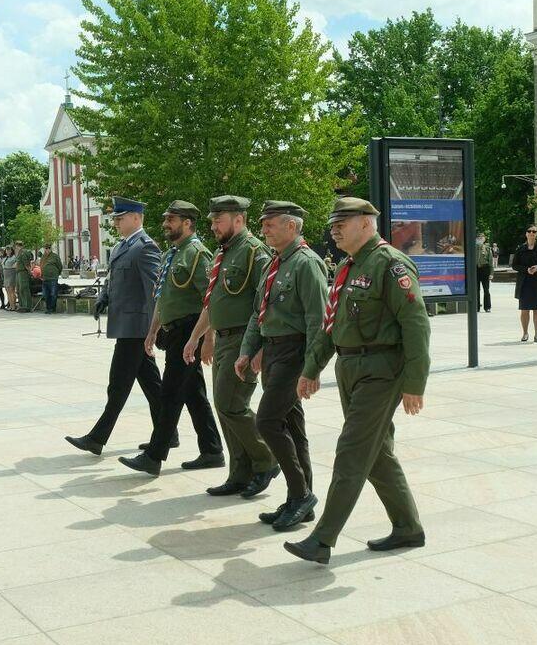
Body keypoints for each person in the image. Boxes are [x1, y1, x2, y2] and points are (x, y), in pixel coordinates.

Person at [285, 197, 429, 564]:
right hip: (350, 367)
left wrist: (415, 383)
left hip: (381, 369)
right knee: (376, 453)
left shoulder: (391, 264)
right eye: (333, 223)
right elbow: (331, 324)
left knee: (351, 450)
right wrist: (311, 368)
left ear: (366, 223)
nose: (334, 229)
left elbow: (416, 325)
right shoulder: (348, 267)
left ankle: (322, 539)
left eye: (342, 223)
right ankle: (408, 528)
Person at [236, 201, 328, 530]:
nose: (264, 230)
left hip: (295, 353)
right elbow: (258, 312)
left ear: (291, 226)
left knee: (267, 421)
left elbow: (319, 320)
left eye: (270, 224)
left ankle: (301, 496)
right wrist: (247, 350)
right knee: (292, 428)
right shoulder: (274, 263)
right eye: (263, 224)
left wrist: (312, 368)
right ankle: (299, 500)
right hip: (273, 351)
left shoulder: (307, 263)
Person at [181, 196, 279, 498]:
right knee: (224, 408)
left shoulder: (255, 253)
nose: (213, 226)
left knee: (231, 404)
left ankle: (267, 459)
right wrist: (197, 336)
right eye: (212, 220)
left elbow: (266, 304)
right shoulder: (223, 253)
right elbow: (213, 302)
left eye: (218, 220)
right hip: (223, 339)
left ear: (238, 219)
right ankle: (240, 472)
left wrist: (257, 347)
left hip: (242, 340)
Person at [118, 200, 224, 477]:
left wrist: (207, 339)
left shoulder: (197, 255)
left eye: (171, 220)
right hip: (173, 331)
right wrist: (153, 330)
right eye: (166, 219)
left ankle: (154, 456)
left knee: (170, 393)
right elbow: (162, 296)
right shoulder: (171, 254)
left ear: (187, 223)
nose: (165, 224)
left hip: (190, 332)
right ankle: (212, 450)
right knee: (193, 393)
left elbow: (210, 301)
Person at [65, 196, 171, 456]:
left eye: (120, 218)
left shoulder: (146, 247)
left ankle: (97, 438)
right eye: (115, 219)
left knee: (118, 385)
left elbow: (155, 290)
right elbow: (115, 280)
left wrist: (157, 327)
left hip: (136, 328)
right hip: (126, 325)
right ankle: (168, 434)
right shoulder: (123, 246)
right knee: (152, 386)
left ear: (136, 217)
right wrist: (103, 298)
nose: (116, 223)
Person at [511, 225, 537, 343]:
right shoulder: (520, 248)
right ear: (526, 233)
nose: (531, 233)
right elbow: (515, 265)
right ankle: (525, 333)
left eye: (534, 231)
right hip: (524, 283)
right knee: (524, 310)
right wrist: (526, 269)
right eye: (529, 231)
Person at [40, 245, 63, 313]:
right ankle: (48, 308)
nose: (47, 249)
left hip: (53, 277)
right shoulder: (43, 257)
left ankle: (52, 309)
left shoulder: (55, 256)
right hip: (45, 278)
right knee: (45, 294)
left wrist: (57, 273)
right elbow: (41, 265)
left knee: (53, 294)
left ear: (51, 248)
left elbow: (60, 266)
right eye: (46, 248)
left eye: (48, 248)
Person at [14, 241, 33, 312]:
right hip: (18, 272)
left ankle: (27, 306)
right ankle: (21, 305)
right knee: (19, 289)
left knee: (24, 289)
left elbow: (26, 264)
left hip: (23, 272)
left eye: (17, 246)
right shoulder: (19, 253)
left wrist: (30, 272)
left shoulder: (23, 253)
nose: (16, 247)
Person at [476, 230, 492, 313]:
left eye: (481, 237)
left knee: (486, 289)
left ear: (484, 239)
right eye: (478, 237)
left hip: (485, 269)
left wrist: (491, 273)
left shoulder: (488, 248)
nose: (480, 239)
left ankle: (487, 307)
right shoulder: (473, 248)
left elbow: (490, 262)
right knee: (476, 290)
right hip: (476, 270)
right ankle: (476, 307)